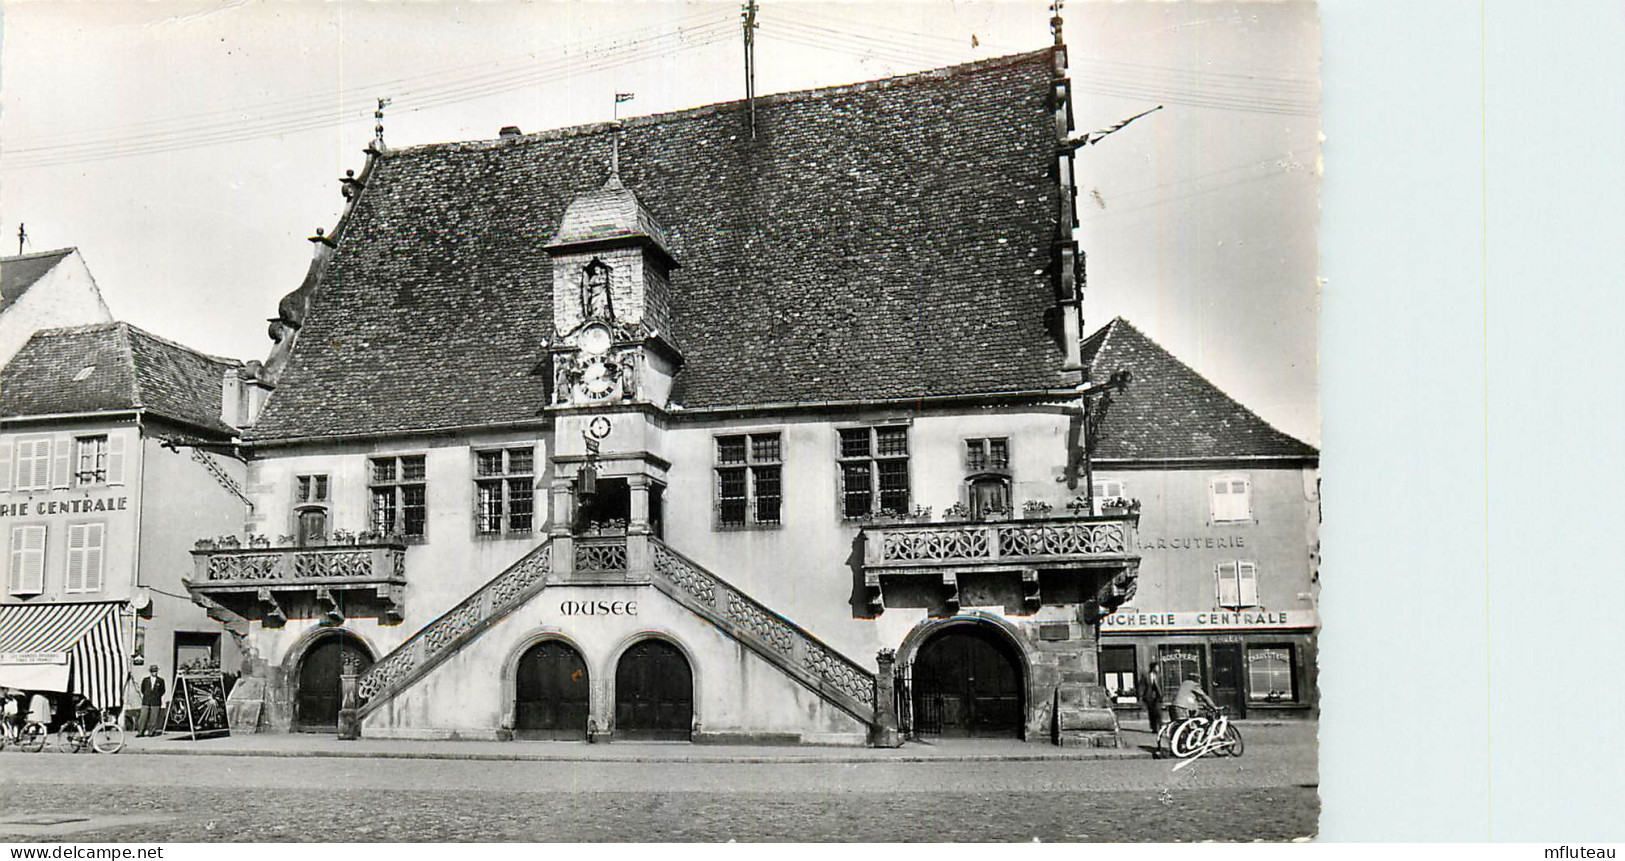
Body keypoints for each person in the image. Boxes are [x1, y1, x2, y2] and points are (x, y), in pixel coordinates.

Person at [138, 665, 166, 737]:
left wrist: (157, 696)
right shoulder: (145, 680)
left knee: (154, 717)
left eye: (155, 671)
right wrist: (147, 695)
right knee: (143, 716)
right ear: (150, 672)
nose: (154, 672)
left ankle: (151, 732)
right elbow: (142, 689)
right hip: (146, 700)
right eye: (153, 671)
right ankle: (140, 732)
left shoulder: (161, 680)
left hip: (156, 701)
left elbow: (163, 690)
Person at [1138, 660, 1164, 733]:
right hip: (1149, 697)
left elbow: (1161, 686)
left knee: (1158, 712)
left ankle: (1160, 726)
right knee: (1151, 712)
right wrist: (1141, 695)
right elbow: (1142, 686)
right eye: (1157, 667)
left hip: (1157, 696)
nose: (1158, 669)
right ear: (1153, 668)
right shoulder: (1146, 675)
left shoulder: (1159, 676)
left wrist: (1162, 695)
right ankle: (1154, 728)